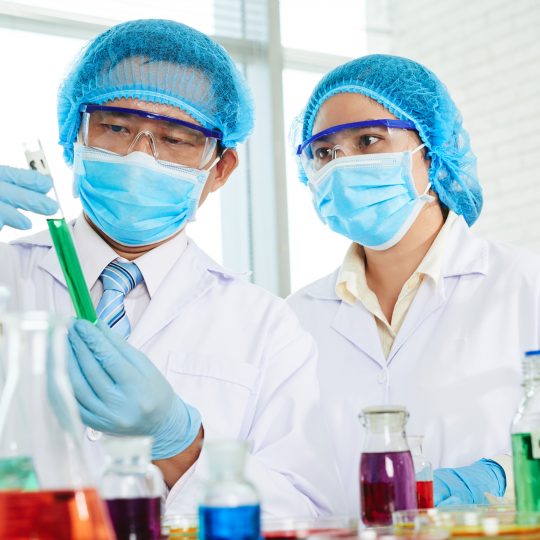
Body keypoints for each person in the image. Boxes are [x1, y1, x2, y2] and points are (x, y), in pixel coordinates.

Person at [0, 19, 339, 516]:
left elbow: (310, 510)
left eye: (176, 138)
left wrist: (181, 446)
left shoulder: (265, 327)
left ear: (219, 170)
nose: (141, 156)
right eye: (115, 128)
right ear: (75, 136)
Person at [287, 54, 540, 514]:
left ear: (432, 148)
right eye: (324, 152)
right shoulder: (294, 317)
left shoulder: (526, 284)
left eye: (368, 140)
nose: (342, 166)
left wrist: (499, 476)